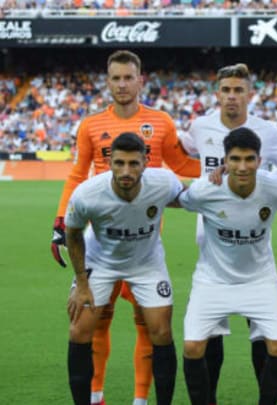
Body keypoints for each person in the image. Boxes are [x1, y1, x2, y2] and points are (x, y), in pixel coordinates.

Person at [51, 50, 199, 405]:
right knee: (96, 320)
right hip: (101, 232)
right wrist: (60, 221)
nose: (121, 84)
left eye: (127, 77)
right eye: (115, 78)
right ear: (107, 82)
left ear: (140, 80)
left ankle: (140, 398)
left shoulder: (161, 122)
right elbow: (77, 172)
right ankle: (96, 395)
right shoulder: (90, 125)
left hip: (146, 233)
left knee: (147, 322)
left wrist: (221, 168)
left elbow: (180, 164)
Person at [180, 63, 277, 403]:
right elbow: (180, 155)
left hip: (253, 228)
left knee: (261, 331)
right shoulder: (199, 126)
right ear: (218, 93)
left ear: (249, 94)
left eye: (238, 90)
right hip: (211, 232)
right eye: (226, 90)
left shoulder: (267, 133)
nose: (231, 96)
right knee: (210, 333)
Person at [65, 132, 181, 405]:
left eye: (133, 163)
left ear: (146, 162)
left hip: (147, 263)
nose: (126, 171)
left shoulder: (163, 183)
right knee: (79, 331)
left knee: (162, 332)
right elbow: (73, 234)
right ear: (109, 162)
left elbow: (187, 199)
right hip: (100, 262)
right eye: (119, 163)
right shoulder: (88, 193)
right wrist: (81, 284)